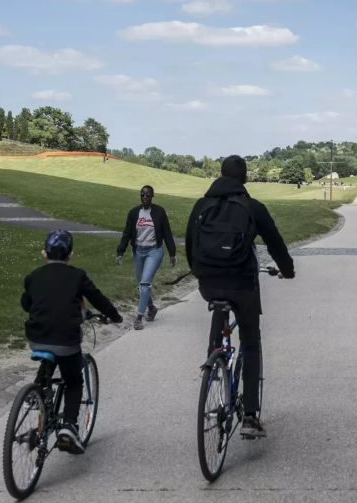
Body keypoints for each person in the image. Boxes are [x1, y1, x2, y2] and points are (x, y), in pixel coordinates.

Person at [185, 155, 295, 439]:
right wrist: (288, 270)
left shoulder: (201, 205)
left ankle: (212, 360)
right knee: (250, 340)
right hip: (242, 283)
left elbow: (191, 244)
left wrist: (200, 273)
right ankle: (249, 416)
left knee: (219, 307)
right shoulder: (252, 207)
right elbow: (275, 242)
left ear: (220, 175)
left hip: (208, 282)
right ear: (245, 179)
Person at [21, 230, 123, 454]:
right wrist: (115, 315)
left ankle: (38, 390)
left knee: (49, 352)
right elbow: (97, 298)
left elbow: (26, 304)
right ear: (71, 255)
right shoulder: (77, 276)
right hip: (66, 340)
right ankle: (69, 426)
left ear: (44, 253)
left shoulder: (33, 277)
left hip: (37, 338)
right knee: (74, 380)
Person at [116, 185, 177, 331]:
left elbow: (167, 233)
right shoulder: (133, 213)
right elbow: (126, 233)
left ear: (152, 196)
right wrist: (120, 251)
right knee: (142, 285)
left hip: (154, 251)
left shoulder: (159, 212)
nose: (145, 197)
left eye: (148, 195)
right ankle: (151, 307)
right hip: (138, 252)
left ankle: (138, 317)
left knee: (144, 284)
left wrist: (172, 253)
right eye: (142, 195)